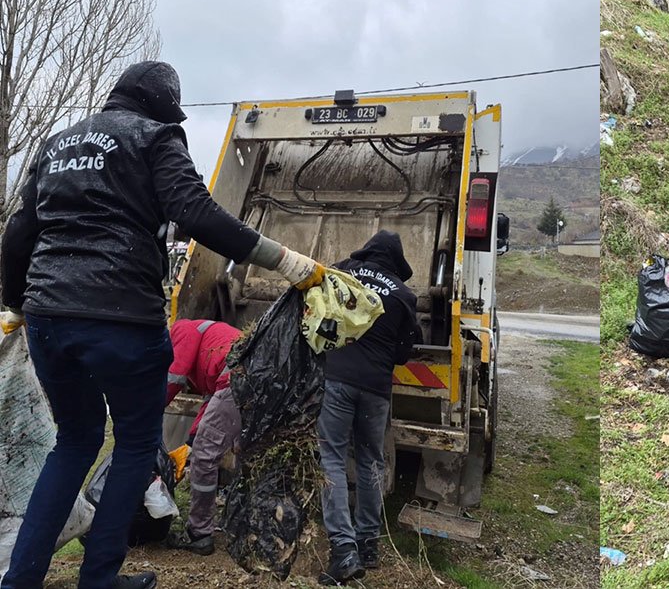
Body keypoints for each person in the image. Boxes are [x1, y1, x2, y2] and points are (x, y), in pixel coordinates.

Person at [0, 61, 325, 589]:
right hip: (122, 317)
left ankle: (20, 580)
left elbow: (19, 234)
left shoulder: (57, 144)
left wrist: (15, 304)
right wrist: (285, 261)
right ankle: (98, 579)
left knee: (75, 440)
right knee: (134, 442)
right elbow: (195, 212)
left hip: (48, 318)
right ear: (159, 107)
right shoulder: (154, 138)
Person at [317, 231, 422, 586]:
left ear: (368, 251)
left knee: (331, 458)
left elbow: (319, 310)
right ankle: (368, 544)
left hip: (337, 381)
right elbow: (404, 353)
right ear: (396, 261)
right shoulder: (404, 295)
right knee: (370, 461)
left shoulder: (343, 272)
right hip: (376, 391)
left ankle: (343, 550)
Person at [164, 318, 243, 556]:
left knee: (204, 457)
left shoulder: (180, 329)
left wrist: (148, 411)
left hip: (236, 381)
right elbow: (212, 401)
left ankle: (199, 533)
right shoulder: (213, 339)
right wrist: (191, 440)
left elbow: (174, 377)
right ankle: (241, 523)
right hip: (252, 382)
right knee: (245, 454)